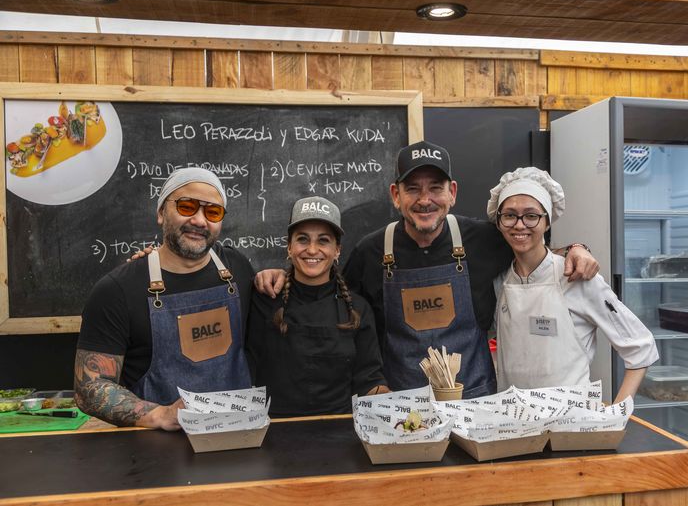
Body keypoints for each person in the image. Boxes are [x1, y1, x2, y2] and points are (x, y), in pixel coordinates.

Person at [257, 141, 599, 399]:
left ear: (452, 193)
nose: (425, 200)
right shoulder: (371, 251)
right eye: (413, 189)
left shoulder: (483, 239)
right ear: (396, 195)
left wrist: (575, 249)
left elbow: (530, 250)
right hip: (402, 406)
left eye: (435, 188)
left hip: (475, 402)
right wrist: (284, 275)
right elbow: (331, 295)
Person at [75, 168, 254, 430]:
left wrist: (279, 275)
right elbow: (89, 388)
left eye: (213, 212)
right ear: (161, 212)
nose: (199, 220)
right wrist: (159, 414)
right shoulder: (117, 290)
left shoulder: (239, 269)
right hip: (155, 448)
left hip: (238, 436)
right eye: (186, 206)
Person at [487, 167, 659, 402]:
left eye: (531, 215)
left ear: (547, 222)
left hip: (571, 420)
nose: (519, 225)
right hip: (514, 419)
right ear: (499, 222)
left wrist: (617, 414)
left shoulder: (577, 277)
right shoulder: (501, 282)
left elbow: (641, 347)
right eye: (509, 215)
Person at [249, 196, 389, 417]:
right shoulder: (265, 299)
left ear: (337, 250)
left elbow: (369, 379)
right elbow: (248, 366)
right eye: (302, 239)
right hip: (274, 429)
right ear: (289, 247)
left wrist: (394, 409)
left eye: (323, 240)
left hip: (340, 429)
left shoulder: (357, 309)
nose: (312, 250)